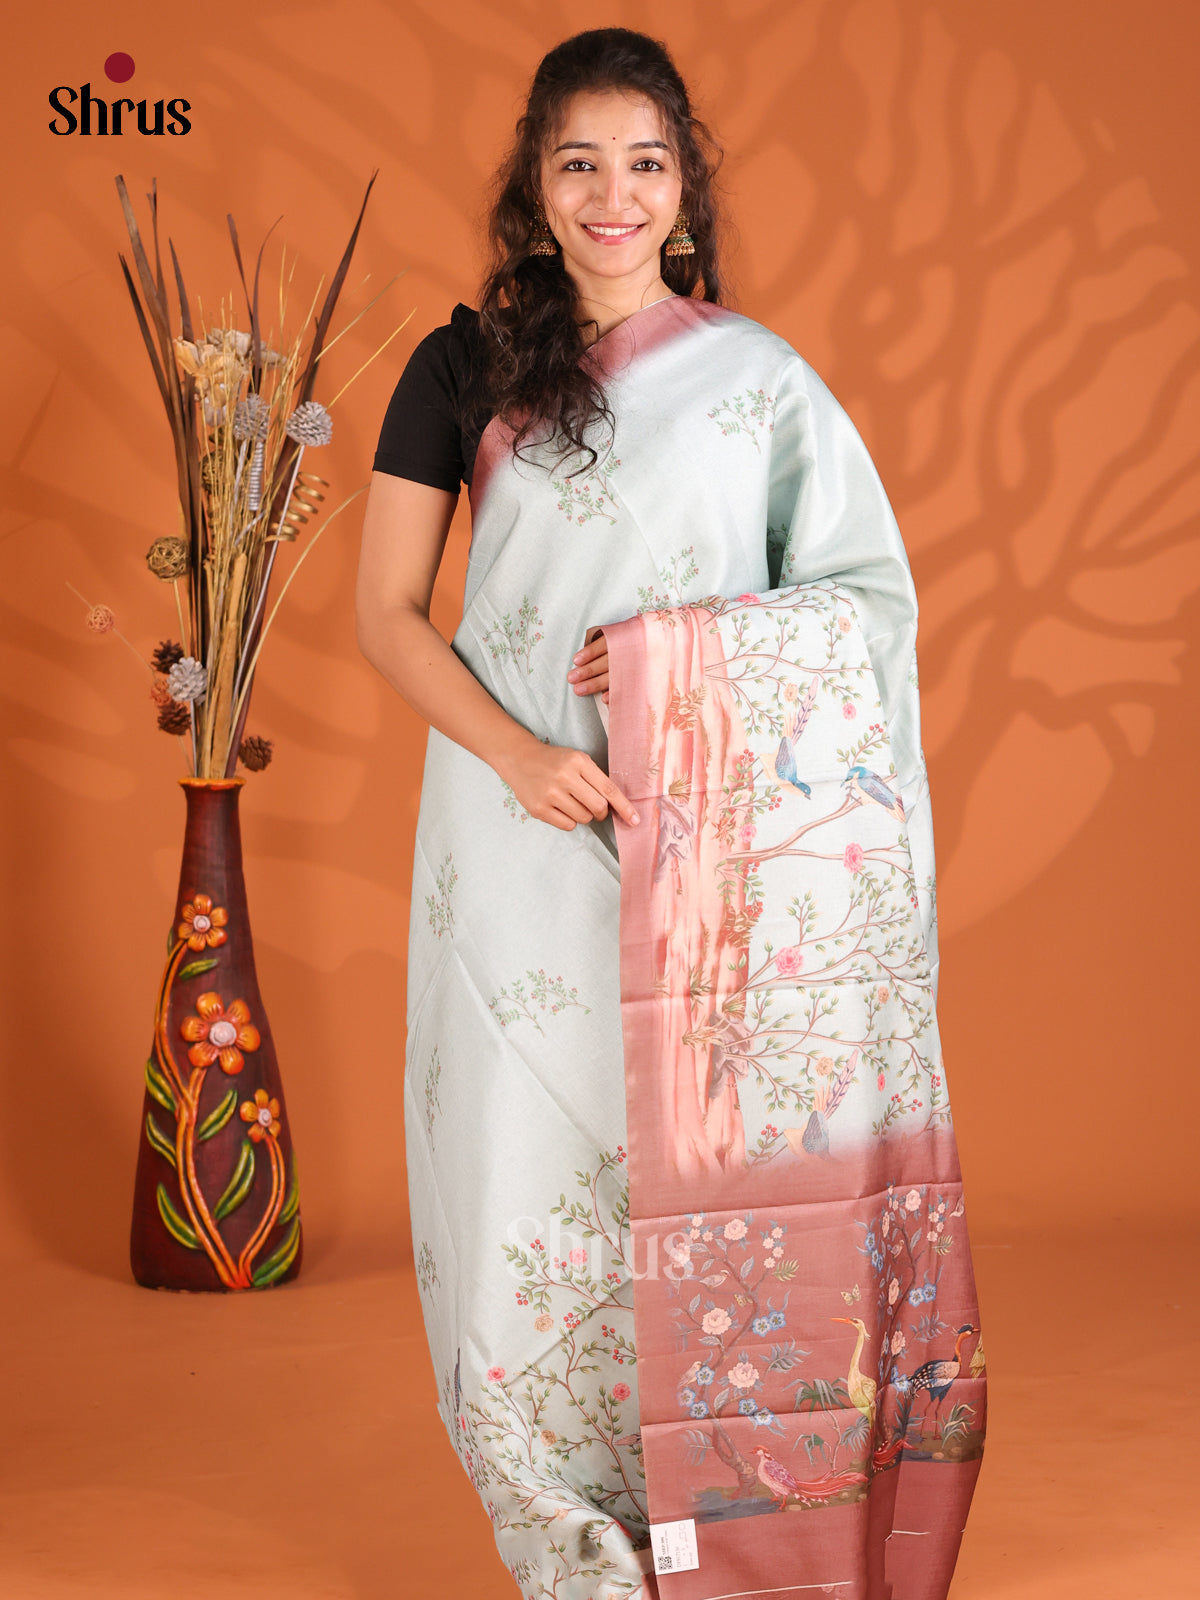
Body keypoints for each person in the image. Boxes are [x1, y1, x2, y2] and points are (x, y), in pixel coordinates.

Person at [357, 26, 985, 1600]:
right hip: (513, 833)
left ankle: (726, 1517)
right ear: (535, 184)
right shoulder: (460, 369)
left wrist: (677, 661)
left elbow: (862, 611)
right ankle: (569, 1537)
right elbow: (384, 615)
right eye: (579, 164)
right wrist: (518, 756)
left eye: (644, 164)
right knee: (521, 1173)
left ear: (685, 187)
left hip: (707, 856)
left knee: (694, 1175)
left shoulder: (758, 384)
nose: (612, 195)